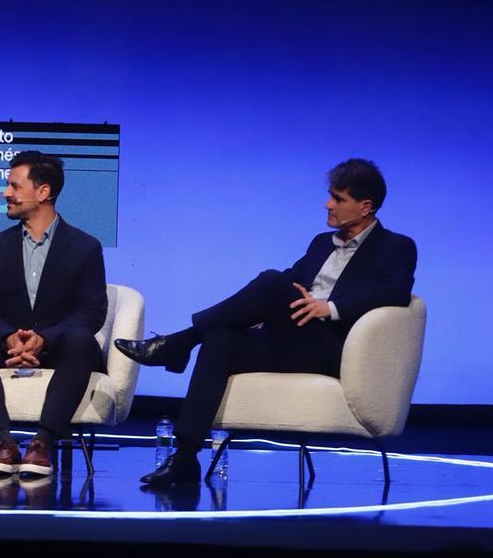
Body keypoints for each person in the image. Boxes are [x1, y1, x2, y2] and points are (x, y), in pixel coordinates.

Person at [116, 158, 417, 486]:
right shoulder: (321, 242)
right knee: (220, 337)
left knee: (272, 281)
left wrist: (329, 308)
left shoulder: (396, 247)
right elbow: (293, 279)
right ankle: (185, 458)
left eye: (338, 199)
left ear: (365, 207)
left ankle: (179, 343)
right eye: (330, 196)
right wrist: (267, 310)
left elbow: (396, 293)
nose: (328, 204)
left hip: (328, 347)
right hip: (288, 340)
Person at [0, 151, 109, 479]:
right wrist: (10, 337)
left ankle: (43, 443)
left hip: (61, 349)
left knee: (83, 341)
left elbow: (92, 311)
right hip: (7, 348)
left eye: (14, 185)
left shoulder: (86, 247)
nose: (5, 193)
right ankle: (2, 442)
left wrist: (45, 339)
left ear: (43, 193)